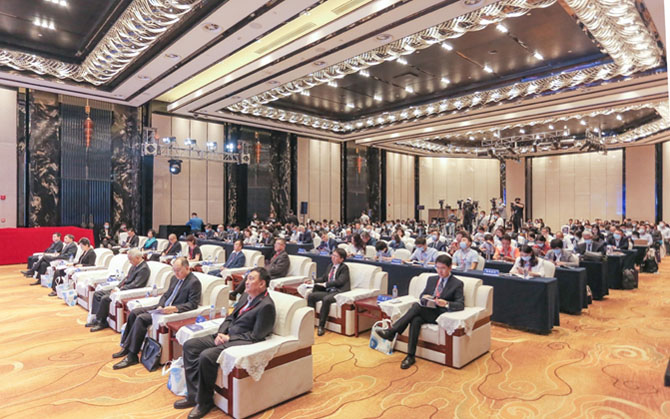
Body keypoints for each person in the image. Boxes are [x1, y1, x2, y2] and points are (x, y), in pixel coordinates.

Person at [176, 268, 275, 419]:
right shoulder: (245, 296)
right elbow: (230, 318)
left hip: (239, 341)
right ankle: (193, 395)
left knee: (206, 356)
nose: (246, 282)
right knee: (190, 345)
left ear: (262, 284)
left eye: (251, 279)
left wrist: (229, 338)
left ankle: (204, 402)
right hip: (225, 335)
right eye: (247, 278)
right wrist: (221, 333)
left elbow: (256, 336)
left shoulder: (266, 306)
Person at [376, 254, 464, 369]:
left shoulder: (457, 283)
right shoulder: (432, 279)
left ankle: (392, 331)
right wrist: (425, 297)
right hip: (428, 310)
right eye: (437, 268)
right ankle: (410, 356)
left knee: (416, 307)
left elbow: (460, 304)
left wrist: (446, 303)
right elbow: (422, 295)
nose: (440, 271)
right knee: (415, 319)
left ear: (450, 268)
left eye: (443, 268)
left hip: (441, 314)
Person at [112, 257, 201, 369]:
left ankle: (132, 355)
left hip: (171, 312)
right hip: (161, 307)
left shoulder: (194, 282)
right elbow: (166, 295)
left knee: (141, 318)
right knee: (134, 312)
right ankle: (126, 347)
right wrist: (161, 305)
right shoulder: (174, 278)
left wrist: (175, 308)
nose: (176, 273)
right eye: (174, 270)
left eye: (178, 270)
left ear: (187, 268)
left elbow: (193, 304)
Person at [88, 248, 150, 332]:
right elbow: (126, 279)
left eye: (130, 259)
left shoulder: (144, 269)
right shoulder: (134, 266)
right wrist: (117, 287)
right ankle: (97, 318)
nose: (129, 262)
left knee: (105, 298)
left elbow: (136, 285)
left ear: (138, 258)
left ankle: (102, 322)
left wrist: (120, 290)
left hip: (127, 291)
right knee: (97, 294)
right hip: (122, 288)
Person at [306, 248, 350, 336]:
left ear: (341, 259)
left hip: (338, 291)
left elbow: (340, 281)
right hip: (329, 290)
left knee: (326, 299)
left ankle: (321, 326)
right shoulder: (330, 266)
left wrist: (326, 284)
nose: (333, 257)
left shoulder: (344, 268)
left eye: (335, 256)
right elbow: (324, 278)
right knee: (311, 296)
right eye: (332, 255)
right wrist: (313, 281)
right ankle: (310, 321)